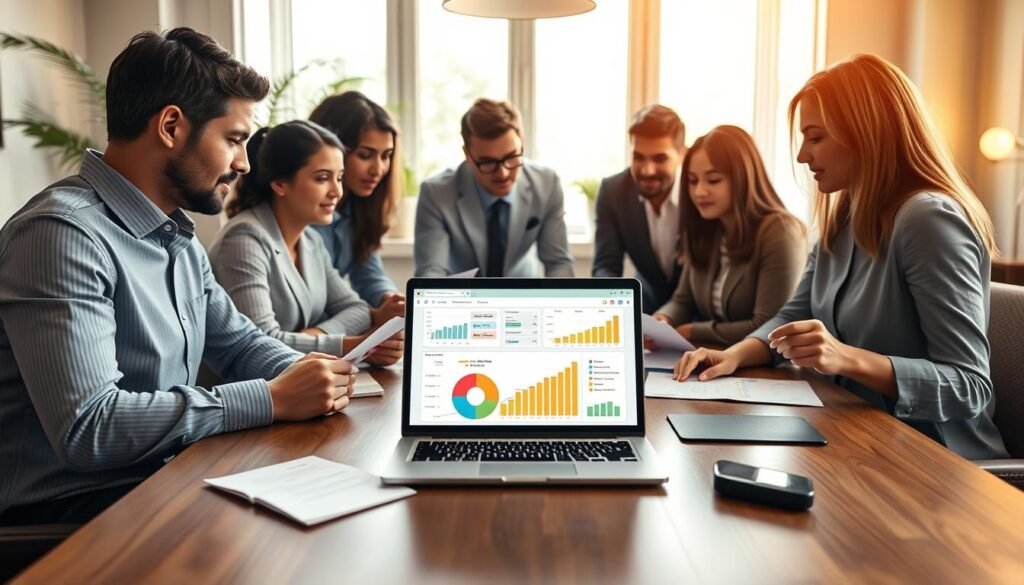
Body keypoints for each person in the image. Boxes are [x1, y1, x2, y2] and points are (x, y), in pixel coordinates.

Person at [0, 28, 357, 525]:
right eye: (234, 139)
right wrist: (271, 398)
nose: (243, 163)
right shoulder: (60, 235)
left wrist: (323, 374)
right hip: (65, 518)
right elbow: (90, 427)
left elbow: (239, 345)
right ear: (171, 126)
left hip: (160, 480)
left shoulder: (176, 235)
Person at [673, 54, 1008, 460]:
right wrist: (733, 355)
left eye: (815, 138)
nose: (801, 156)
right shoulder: (841, 222)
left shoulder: (927, 219)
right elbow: (788, 318)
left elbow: (968, 386)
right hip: (859, 437)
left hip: (936, 460)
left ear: (866, 132)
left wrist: (845, 357)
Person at [208, 121, 403, 366]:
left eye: (339, 178)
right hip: (251, 388)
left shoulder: (310, 239)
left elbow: (358, 310)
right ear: (280, 184)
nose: (337, 191)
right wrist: (356, 344)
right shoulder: (243, 240)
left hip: (302, 380)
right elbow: (261, 342)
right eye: (322, 178)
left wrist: (312, 335)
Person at [652, 125, 806, 346]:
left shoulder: (780, 231)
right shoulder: (708, 227)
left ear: (743, 178)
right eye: (693, 180)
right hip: (715, 358)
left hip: (765, 367)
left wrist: (694, 331)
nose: (699, 192)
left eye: (713, 180)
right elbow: (683, 300)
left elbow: (769, 325)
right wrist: (663, 320)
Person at [414, 98, 574, 277]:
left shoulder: (547, 183)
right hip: (462, 299)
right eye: (487, 162)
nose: (503, 173)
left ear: (522, 142)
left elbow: (558, 263)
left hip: (523, 296)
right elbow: (431, 271)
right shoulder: (436, 193)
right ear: (467, 155)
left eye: (511, 156)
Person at [309, 91, 405, 309]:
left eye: (386, 155)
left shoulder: (359, 208)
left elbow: (369, 274)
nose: (378, 169)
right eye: (365, 155)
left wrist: (391, 300)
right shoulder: (302, 212)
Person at [593, 105, 687, 313]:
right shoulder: (613, 192)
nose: (647, 170)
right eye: (638, 157)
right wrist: (610, 306)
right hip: (644, 307)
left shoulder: (699, 191)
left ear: (681, 155)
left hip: (699, 314)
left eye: (659, 158)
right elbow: (606, 265)